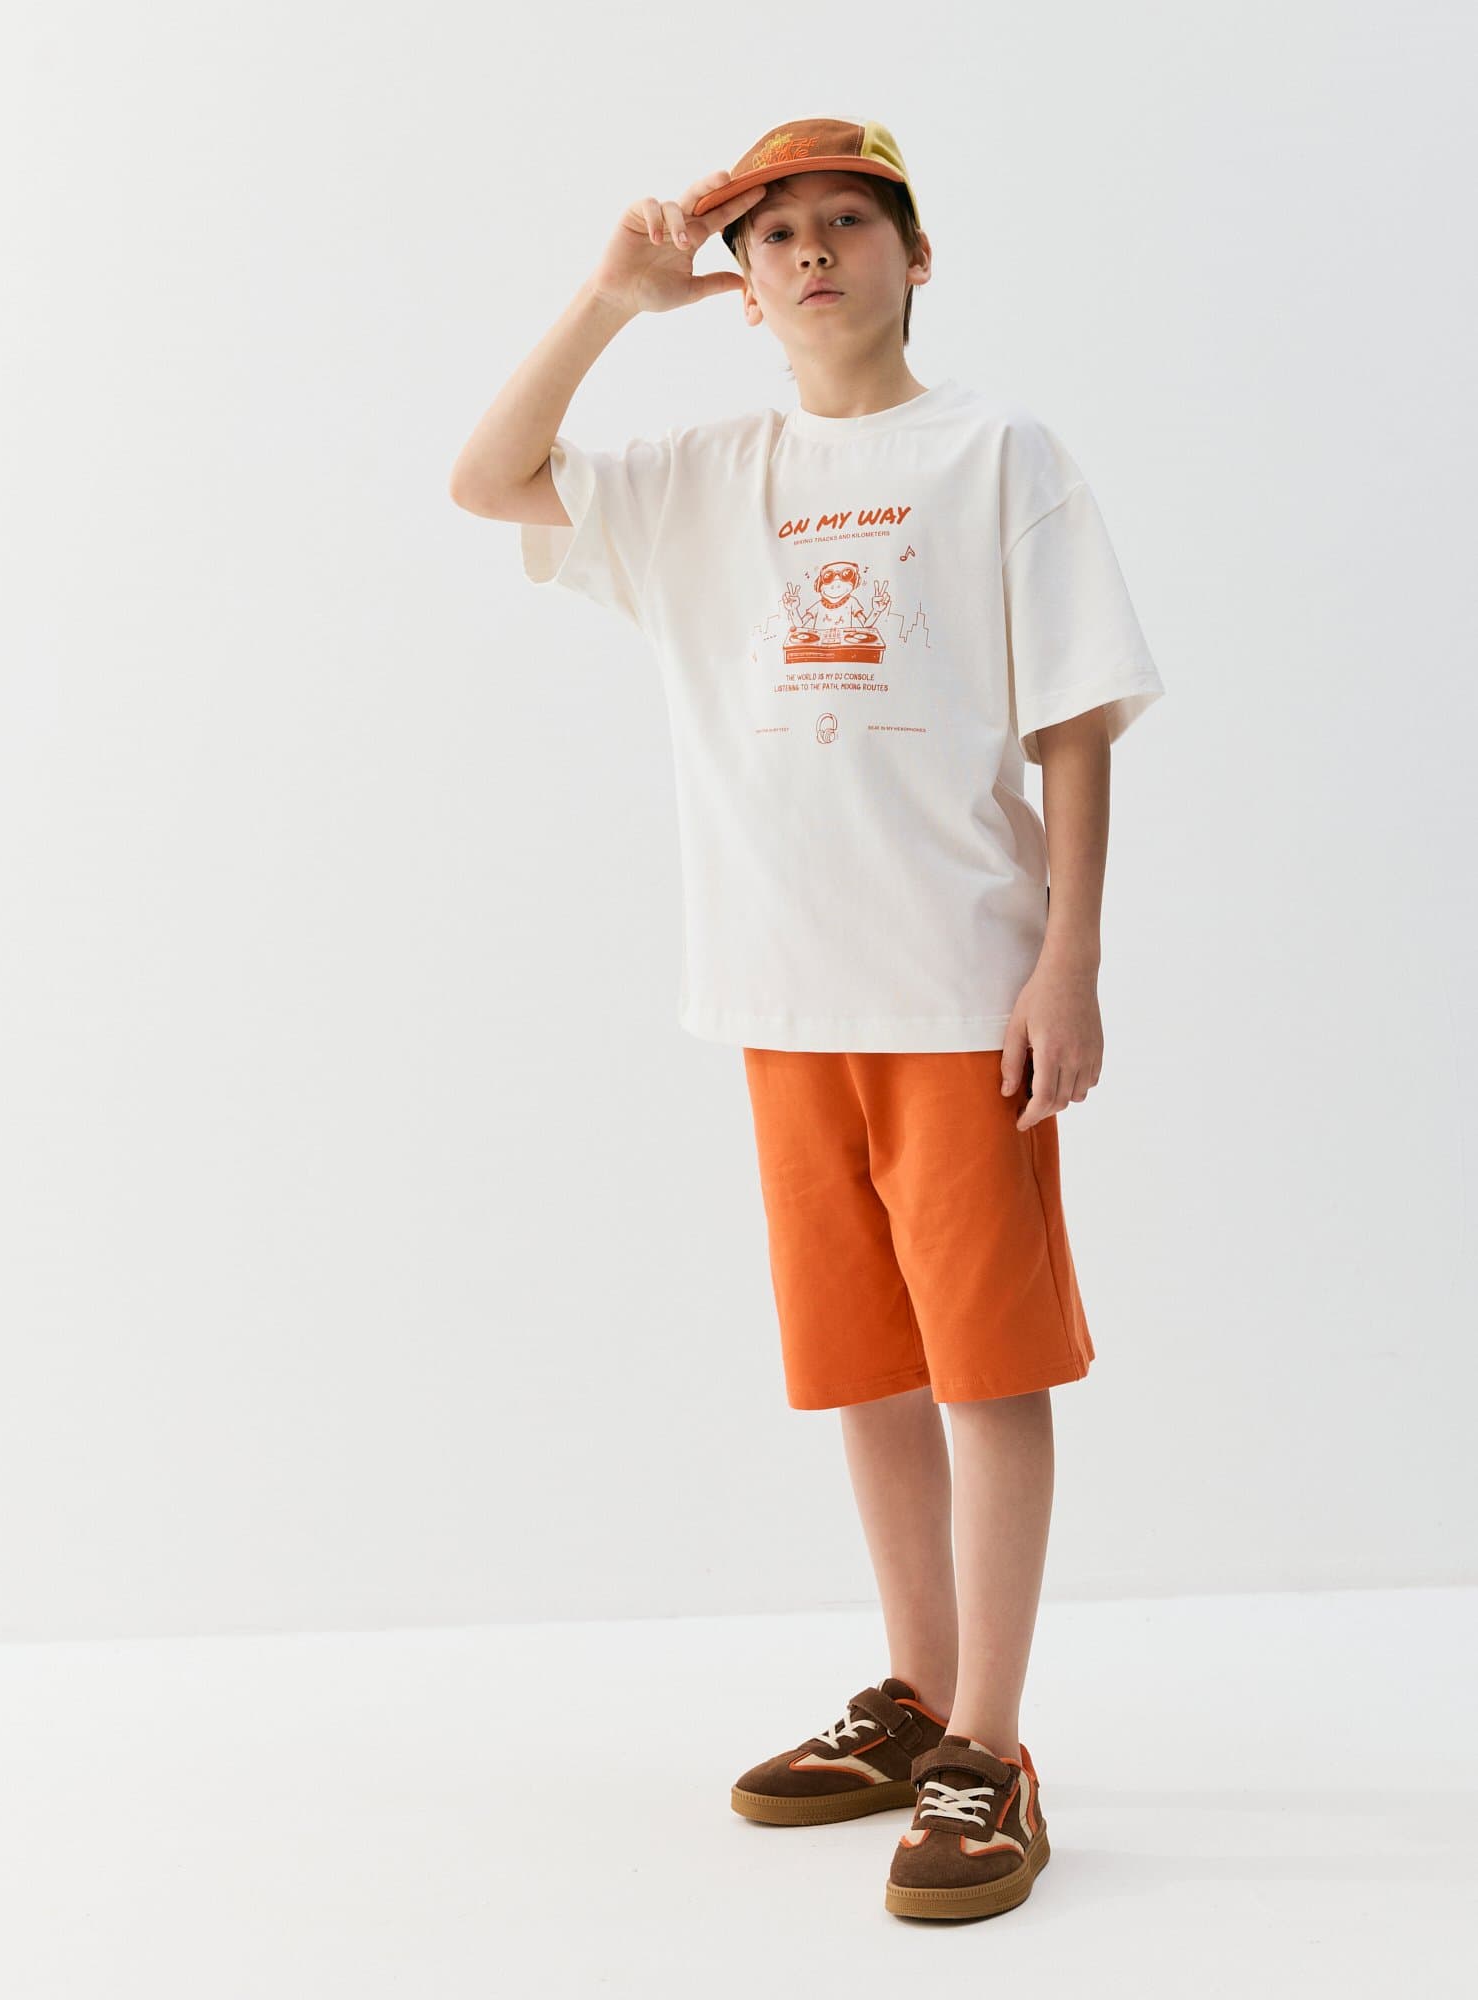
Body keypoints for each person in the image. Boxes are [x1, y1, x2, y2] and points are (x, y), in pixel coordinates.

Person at [449, 116, 1165, 1924]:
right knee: (870, 1368)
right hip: (781, 996)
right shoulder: (707, 474)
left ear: (919, 257)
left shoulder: (996, 452)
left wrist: (1068, 961)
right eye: (776, 234)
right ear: (743, 282)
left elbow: (1075, 722)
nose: (815, 251)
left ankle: (993, 1747)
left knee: (986, 1364)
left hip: (957, 996)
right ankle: (914, 1694)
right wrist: (611, 299)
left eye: (852, 221)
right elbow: (486, 476)